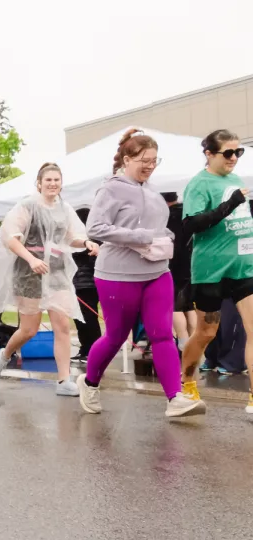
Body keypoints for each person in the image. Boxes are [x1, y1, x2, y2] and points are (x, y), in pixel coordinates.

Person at [77, 128, 205, 418]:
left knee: (162, 335)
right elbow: (95, 228)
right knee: (115, 336)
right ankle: (90, 383)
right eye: (144, 160)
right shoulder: (111, 188)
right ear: (127, 159)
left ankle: (175, 398)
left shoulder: (151, 190)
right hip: (117, 275)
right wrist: (142, 237)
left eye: (154, 160)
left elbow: (154, 229)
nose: (149, 165)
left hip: (157, 272)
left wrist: (163, 240)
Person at [0, 163, 98, 396]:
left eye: (57, 179)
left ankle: (63, 380)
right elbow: (11, 239)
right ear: (39, 183)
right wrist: (31, 259)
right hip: (29, 273)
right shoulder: (26, 206)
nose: (53, 184)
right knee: (29, 329)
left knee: (62, 326)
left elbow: (72, 237)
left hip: (56, 272)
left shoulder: (65, 209)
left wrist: (85, 242)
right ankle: (5, 354)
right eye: (48, 180)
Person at [179, 129, 253, 410]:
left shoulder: (236, 179)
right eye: (228, 153)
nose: (234, 158)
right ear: (209, 154)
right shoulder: (199, 184)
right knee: (207, 332)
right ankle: (186, 383)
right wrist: (229, 203)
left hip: (244, 267)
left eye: (238, 152)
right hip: (211, 270)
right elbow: (191, 225)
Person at [162, 192, 197, 357]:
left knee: (174, 305)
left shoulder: (169, 218)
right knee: (189, 305)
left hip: (174, 264)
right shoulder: (189, 213)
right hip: (192, 263)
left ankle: (183, 340)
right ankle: (193, 341)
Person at [71, 208, 101, 363]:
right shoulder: (80, 238)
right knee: (81, 317)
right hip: (81, 283)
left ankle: (94, 350)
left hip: (86, 284)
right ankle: (85, 349)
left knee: (88, 317)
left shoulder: (89, 239)